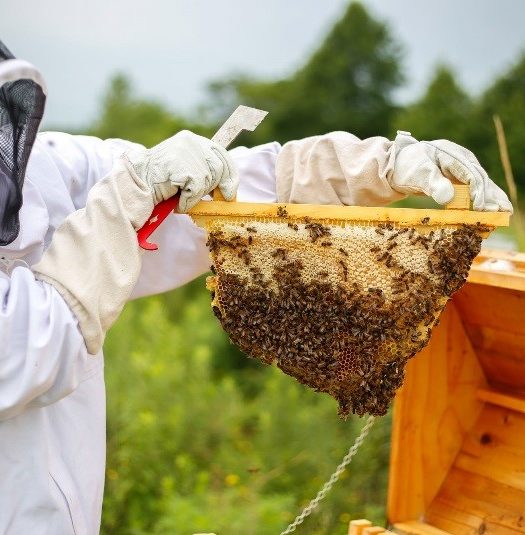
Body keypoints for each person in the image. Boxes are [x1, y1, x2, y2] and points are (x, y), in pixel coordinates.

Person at [0, 44, 512, 534]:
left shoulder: (44, 167)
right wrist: (127, 200)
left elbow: (213, 195)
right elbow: (33, 347)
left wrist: (382, 168)